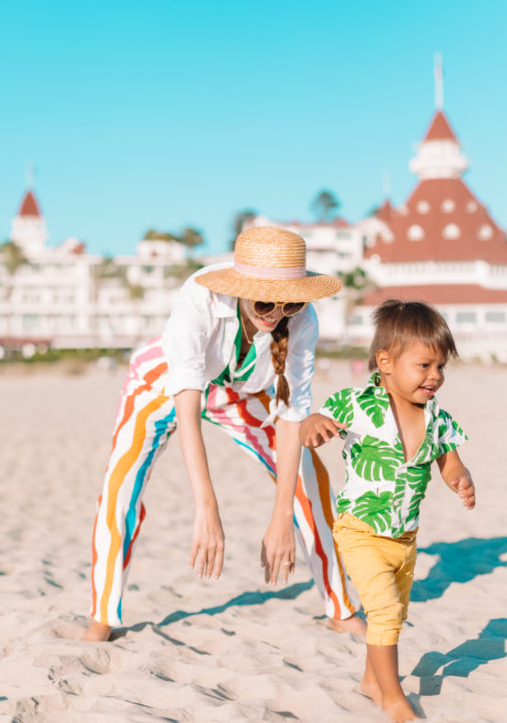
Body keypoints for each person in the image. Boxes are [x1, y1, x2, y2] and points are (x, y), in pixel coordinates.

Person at [83, 227, 364, 641]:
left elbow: (291, 417)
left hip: (240, 391)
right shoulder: (200, 295)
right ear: (242, 289)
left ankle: (339, 607)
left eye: (289, 302)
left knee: (312, 481)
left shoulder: (301, 319)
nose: (275, 313)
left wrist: (281, 516)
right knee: (120, 487)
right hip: (163, 385)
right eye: (265, 301)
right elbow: (188, 406)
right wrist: (206, 507)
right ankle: (101, 619)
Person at [299, 300, 475, 723]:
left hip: (405, 537)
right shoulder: (357, 403)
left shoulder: (439, 419)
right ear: (386, 362)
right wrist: (313, 428)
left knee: (396, 612)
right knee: (383, 612)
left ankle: (370, 680)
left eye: (441, 367)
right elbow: (314, 420)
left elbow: (449, 460)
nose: (435, 376)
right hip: (360, 530)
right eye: (424, 365)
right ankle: (392, 696)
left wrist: (461, 479)